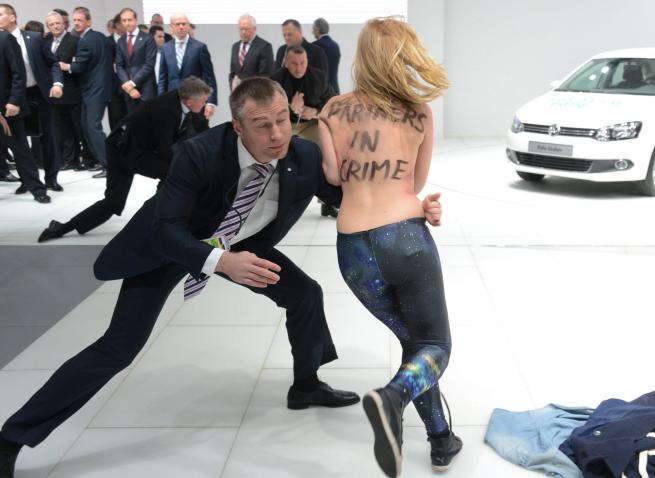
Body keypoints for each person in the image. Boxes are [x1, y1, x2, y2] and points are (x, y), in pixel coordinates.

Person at [0, 77, 371, 478]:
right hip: (170, 247)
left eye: (282, 119)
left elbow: (350, 199)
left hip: (241, 241)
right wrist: (221, 262)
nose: (277, 134)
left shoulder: (304, 155)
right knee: (119, 348)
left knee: (305, 294)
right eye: (263, 125)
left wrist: (403, 202)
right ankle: (11, 438)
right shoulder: (198, 153)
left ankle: (306, 385)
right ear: (238, 127)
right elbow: (164, 231)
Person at [318, 17, 461, 477]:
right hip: (405, 239)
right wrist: (422, 205)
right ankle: (393, 398)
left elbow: (334, 177)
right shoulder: (419, 112)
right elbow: (414, 185)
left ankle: (441, 438)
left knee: (414, 342)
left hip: (353, 249)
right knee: (434, 345)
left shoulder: (332, 111)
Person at [38, 76, 211, 243]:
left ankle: (159, 220)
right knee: (114, 202)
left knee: (172, 174)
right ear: (189, 101)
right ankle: (62, 228)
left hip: (139, 149)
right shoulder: (166, 109)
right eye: (203, 101)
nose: (205, 105)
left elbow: (203, 130)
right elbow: (164, 149)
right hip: (122, 151)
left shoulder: (185, 104)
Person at [0, 15, 50, 203]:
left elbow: (18, 72)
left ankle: (37, 189)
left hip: (7, 106)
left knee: (19, 148)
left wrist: (14, 101)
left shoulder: (5, 39)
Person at [58, 7, 113, 177]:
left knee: (92, 127)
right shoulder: (100, 37)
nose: (76, 23)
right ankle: (103, 161)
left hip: (93, 90)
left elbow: (78, 67)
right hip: (100, 88)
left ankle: (109, 165)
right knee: (87, 126)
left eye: (80, 20)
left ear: (88, 21)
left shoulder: (85, 41)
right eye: (74, 20)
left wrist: (64, 65)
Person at [158, 13, 217, 120]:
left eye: (184, 24)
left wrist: (211, 102)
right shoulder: (166, 48)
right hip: (173, 100)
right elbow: (163, 79)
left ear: (188, 26)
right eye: (177, 24)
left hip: (196, 100)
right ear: (171, 27)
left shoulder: (199, 47)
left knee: (197, 129)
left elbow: (209, 77)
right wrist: (160, 101)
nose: (181, 27)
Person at [115, 7, 157, 112]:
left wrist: (132, 83)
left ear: (136, 20)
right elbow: (119, 65)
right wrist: (128, 86)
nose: (127, 23)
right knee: (132, 120)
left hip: (146, 89)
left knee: (148, 119)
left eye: (129, 20)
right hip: (128, 91)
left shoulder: (148, 38)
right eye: (124, 20)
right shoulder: (121, 41)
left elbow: (149, 65)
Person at [229, 14, 274, 91]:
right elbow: (233, 73)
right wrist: (233, 87)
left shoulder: (264, 46)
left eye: (246, 29)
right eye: (241, 29)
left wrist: (242, 84)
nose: (243, 32)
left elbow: (265, 76)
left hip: (256, 93)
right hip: (237, 94)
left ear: (254, 29)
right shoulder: (235, 47)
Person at [312, 17, 341, 94]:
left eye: (313, 29)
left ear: (317, 29)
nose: (312, 32)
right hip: (335, 89)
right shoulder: (335, 45)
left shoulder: (315, 46)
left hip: (321, 92)